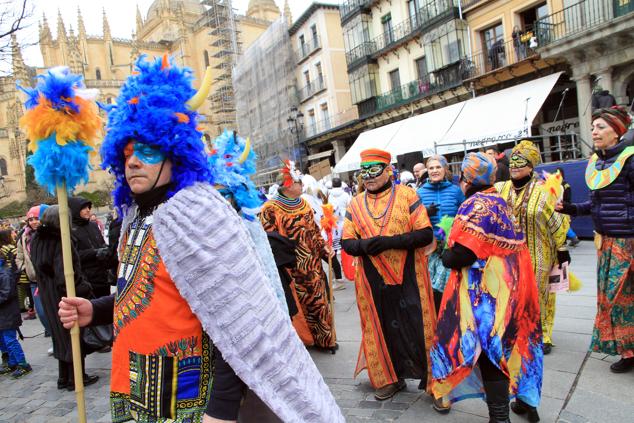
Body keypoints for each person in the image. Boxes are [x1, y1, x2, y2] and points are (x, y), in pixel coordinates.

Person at [59, 56, 342, 423]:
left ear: (175, 151)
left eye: (147, 150)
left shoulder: (194, 211)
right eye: (127, 153)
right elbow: (148, 293)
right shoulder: (134, 215)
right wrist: (94, 309)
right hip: (136, 387)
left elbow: (235, 316)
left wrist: (221, 410)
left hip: (187, 399)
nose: (133, 162)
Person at [431, 152, 543, 423]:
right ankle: (526, 404)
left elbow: (462, 255)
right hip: (512, 287)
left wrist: (446, 252)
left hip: (489, 295)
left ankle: (500, 417)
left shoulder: (476, 205)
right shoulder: (498, 200)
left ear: (465, 178)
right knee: (509, 346)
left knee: (489, 352)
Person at [342, 148, 436, 401]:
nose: (369, 176)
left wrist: (390, 241)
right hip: (372, 281)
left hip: (410, 275)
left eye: (374, 170)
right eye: (365, 171)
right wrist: (368, 246)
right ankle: (390, 379)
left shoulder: (407, 196)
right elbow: (347, 242)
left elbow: (425, 233)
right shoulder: (355, 203)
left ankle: (436, 383)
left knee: (419, 326)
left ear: (388, 171)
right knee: (381, 327)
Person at [558, 106, 633, 373]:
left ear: (617, 131)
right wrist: (570, 209)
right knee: (613, 299)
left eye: (600, 127)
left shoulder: (631, 160)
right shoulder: (598, 161)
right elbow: (595, 204)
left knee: (625, 297)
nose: (594, 132)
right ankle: (628, 350)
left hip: (629, 242)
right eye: (593, 127)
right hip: (606, 242)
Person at [496, 140, 569, 356]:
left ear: (531, 165)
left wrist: (562, 247)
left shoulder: (544, 191)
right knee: (511, 292)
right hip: (508, 254)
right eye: (513, 162)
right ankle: (516, 329)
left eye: (521, 162)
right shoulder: (500, 189)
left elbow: (557, 221)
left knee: (540, 293)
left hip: (539, 251)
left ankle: (543, 333)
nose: (515, 166)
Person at [260, 161, 336, 350]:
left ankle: (326, 340)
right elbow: (270, 242)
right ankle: (305, 341)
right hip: (291, 269)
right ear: (287, 185)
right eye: (298, 182)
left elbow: (315, 232)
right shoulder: (270, 209)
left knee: (320, 303)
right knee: (298, 307)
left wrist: (324, 249)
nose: (302, 185)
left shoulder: (304, 204)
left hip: (313, 267)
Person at [29, 206, 99, 390]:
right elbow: (65, 275)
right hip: (63, 295)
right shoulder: (61, 240)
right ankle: (77, 377)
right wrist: (83, 289)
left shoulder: (37, 238)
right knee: (72, 336)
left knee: (59, 337)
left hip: (47, 294)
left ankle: (64, 377)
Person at [416, 155, 464, 311]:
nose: (435, 170)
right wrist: (424, 213)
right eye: (431, 168)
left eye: (438, 167)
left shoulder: (456, 191)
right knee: (431, 294)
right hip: (429, 251)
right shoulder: (420, 192)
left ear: (445, 169)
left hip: (450, 249)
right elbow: (411, 221)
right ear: (427, 171)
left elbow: (465, 218)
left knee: (451, 293)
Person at [0, 229, 32, 379]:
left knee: (9, 339)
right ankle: (12, 362)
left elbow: (6, 293)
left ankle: (22, 363)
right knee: (4, 340)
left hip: (8, 313)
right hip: (3, 314)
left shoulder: (4, 273)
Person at [69, 197, 112, 298]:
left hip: (103, 277)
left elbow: (101, 243)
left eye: (88, 207)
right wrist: (95, 252)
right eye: (83, 208)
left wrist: (106, 250)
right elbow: (73, 255)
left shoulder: (93, 225)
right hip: (86, 280)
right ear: (75, 210)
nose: (88, 210)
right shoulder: (70, 230)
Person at [328, 177, 352, 291]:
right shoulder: (346, 195)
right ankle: (346, 265)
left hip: (332, 223)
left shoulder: (328, 194)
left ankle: (337, 271)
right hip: (344, 222)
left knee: (334, 247)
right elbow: (350, 206)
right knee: (345, 245)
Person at [556, 167, 580, 247]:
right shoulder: (562, 184)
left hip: (562, 207)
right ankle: (569, 239)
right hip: (564, 206)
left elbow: (566, 198)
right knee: (563, 224)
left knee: (563, 224)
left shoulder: (562, 185)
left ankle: (573, 238)